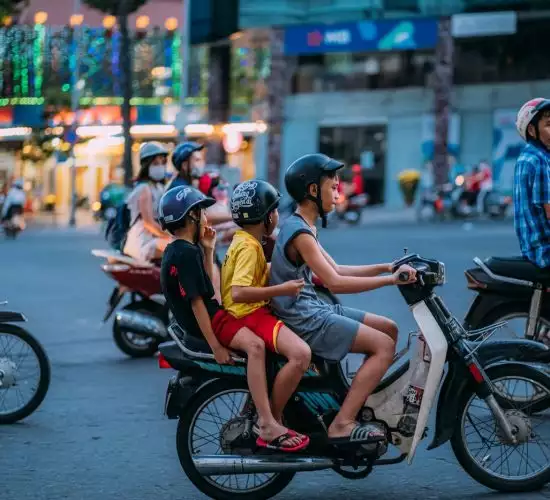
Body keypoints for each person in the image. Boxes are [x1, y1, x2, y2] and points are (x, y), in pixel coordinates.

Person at [269, 153, 417, 446]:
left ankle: (356, 398)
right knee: (384, 346)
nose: (338, 192)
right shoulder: (300, 233)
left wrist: (388, 267)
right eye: (332, 186)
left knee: (389, 328)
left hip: (312, 307)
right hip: (305, 318)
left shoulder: (302, 225)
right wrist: (391, 281)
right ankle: (342, 423)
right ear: (313, 190)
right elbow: (336, 282)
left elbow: (336, 268)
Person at [158, 185, 309, 452]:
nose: (206, 218)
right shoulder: (185, 253)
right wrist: (216, 346)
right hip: (213, 321)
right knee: (256, 346)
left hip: (210, 317)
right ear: (191, 217)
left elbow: (206, 286)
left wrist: (208, 249)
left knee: (260, 344)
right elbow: (198, 303)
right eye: (202, 213)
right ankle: (266, 421)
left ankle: (265, 411)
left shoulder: (179, 250)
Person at [221, 180, 311, 448]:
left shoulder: (244, 240)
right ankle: (270, 422)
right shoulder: (249, 247)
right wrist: (281, 288)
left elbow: (257, 272)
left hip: (246, 312)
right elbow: (239, 292)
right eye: (274, 210)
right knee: (301, 354)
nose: (277, 216)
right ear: (266, 216)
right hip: (248, 314)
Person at [514, 98, 550, 269]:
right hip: (545, 252)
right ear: (532, 130)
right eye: (549, 125)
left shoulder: (526, 156)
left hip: (531, 249)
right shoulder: (539, 160)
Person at [123, 142, 172, 262]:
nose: (160, 166)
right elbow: (148, 223)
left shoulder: (158, 187)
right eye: (155, 163)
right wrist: (172, 236)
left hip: (154, 237)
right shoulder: (144, 188)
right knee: (180, 248)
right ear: (146, 165)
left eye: (162, 163)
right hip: (143, 241)